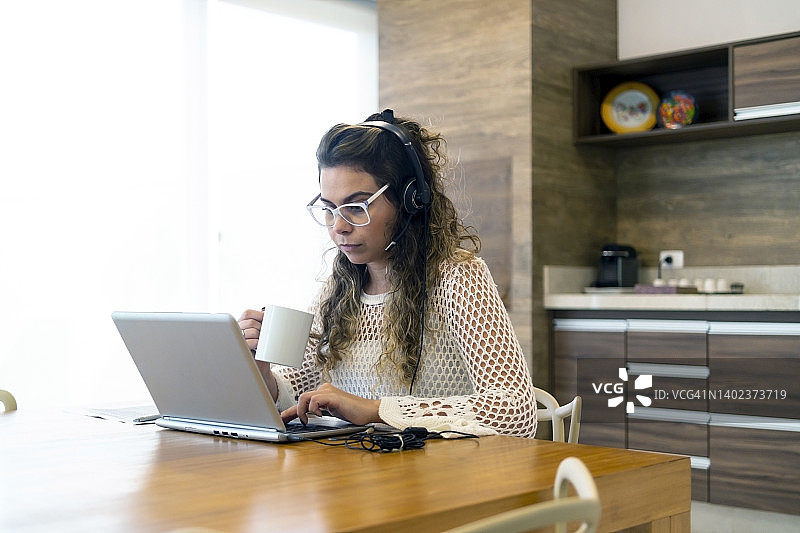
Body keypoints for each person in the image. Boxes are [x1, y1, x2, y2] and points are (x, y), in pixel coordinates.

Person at [239, 109, 536, 437]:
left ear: (409, 201)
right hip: (358, 477)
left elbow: (515, 411)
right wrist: (261, 369)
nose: (338, 227)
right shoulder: (334, 291)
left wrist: (376, 410)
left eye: (357, 207)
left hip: (439, 479)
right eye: (329, 208)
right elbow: (297, 398)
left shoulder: (459, 278)